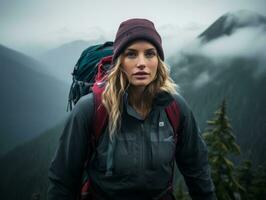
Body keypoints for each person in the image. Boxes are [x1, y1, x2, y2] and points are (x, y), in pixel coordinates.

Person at [47, 18, 216, 200]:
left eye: (150, 54)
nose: (141, 63)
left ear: (158, 61)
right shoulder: (91, 109)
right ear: (119, 61)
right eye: (131, 54)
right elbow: (63, 181)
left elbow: (197, 171)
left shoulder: (175, 107)